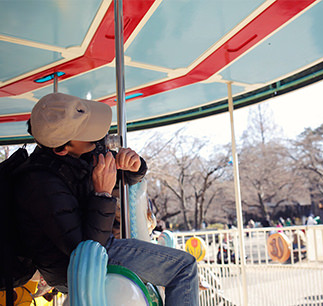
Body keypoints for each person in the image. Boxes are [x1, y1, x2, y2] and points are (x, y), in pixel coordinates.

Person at [13, 93, 199, 305]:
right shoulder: (40, 183)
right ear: (61, 148)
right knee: (184, 267)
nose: (99, 139)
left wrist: (134, 167)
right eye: (89, 134)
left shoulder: (78, 155)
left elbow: (118, 170)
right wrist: (102, 193)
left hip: (95, 241)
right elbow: (85, 249)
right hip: (75, 261)